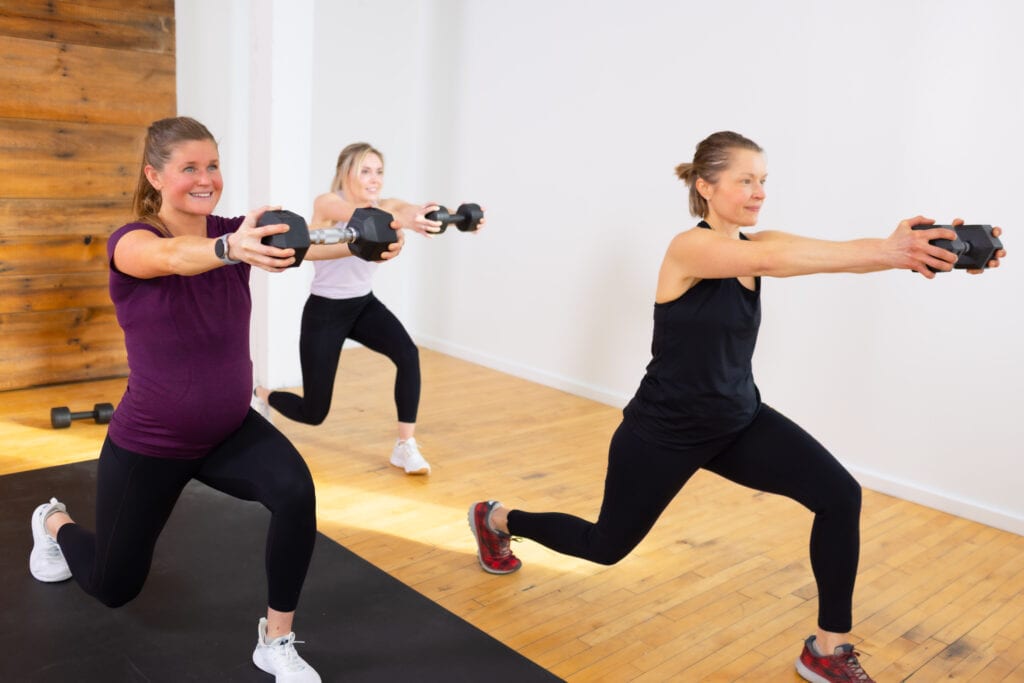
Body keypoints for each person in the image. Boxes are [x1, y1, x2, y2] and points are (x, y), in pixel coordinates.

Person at [468, 131, 1004, 683]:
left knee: (840, 496)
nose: (759, 192)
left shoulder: (760, 243)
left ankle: (827, 648)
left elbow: (819, 254)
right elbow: (775, 259)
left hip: (738, 420)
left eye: (764, 180)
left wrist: (911, 250)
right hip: (664, 431)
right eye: (745, 180)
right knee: (605, 547)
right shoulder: (690, 248)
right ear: (705, 186)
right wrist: (889, 251)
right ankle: (498, 517)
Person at [27, 117, 402, 682]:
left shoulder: (237, 231)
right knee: (112, 587)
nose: (206, 179)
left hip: (229, 430)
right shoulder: (133, 241)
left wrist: (370, 241)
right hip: (152, 443)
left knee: (295, 493)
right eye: (189, 168)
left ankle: (275, 640)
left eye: (212, 166)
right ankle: (53, 522)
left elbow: (312, 245)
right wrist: (230, 248)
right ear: (155, 175)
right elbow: (176, 258)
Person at [255, 142, 484, 476]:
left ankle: (405, 446)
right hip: (325, 311)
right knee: (313, 412)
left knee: (408, 354)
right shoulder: (329, 203)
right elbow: (362, 219)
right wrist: (401, 219)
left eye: (379, 171)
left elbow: (404, 210)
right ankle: (261, 393)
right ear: (345, 173)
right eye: (365, 171)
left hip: (363, 305)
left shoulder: (384, 205)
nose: (374, 179)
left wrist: (431, 217)